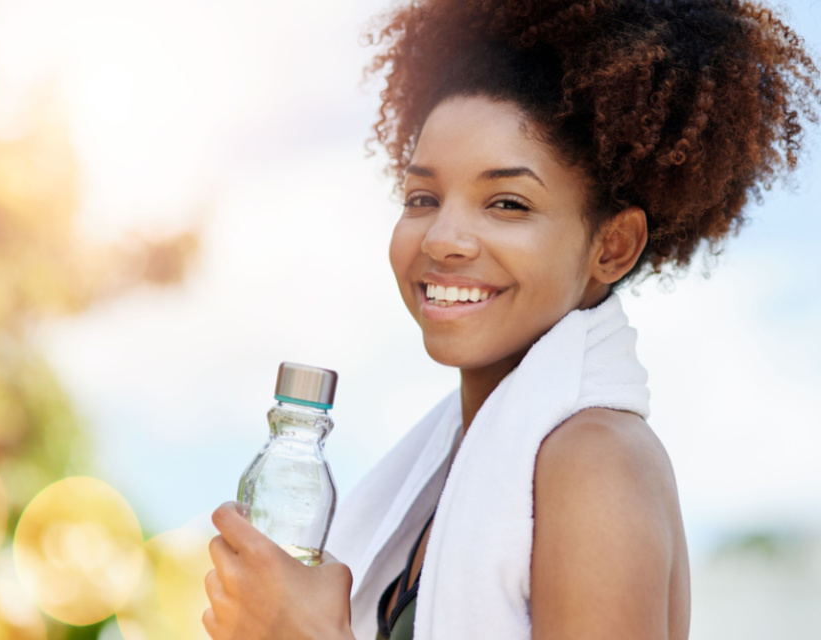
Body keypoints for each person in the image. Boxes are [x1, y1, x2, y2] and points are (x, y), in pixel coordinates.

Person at [202, 1, 819, 639]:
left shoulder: (595, 462)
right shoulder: (460, 467)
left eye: (507, 203)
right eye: (423, 197)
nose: (443, 238)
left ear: (613, 246)